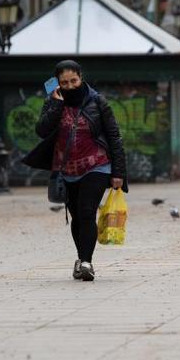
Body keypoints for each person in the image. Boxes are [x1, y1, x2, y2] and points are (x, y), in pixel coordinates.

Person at [35, 60, 128, 282]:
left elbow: (114, 136)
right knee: (77, 216)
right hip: (66, 169)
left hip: (96, 166)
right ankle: (81, 258)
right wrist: (56, 105)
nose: (69, 86)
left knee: (87, 212)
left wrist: (119, 173)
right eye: (64, 82)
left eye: (73, 81)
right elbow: (41, 130)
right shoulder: (53, 101)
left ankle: (87, 262)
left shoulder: (97, 102)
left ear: (81, 77)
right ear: (57, 83)